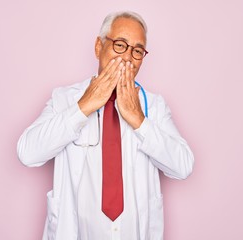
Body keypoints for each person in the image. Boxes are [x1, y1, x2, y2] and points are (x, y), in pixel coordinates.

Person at [17, 11, 194, 240]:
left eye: (137, 51)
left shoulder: (154, 106)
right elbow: (28, 153)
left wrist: (139, 120)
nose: (128, 58)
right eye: (120, 45)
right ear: (98, 47)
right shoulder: (65, 99)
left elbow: (183, 166)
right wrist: (83, 107)